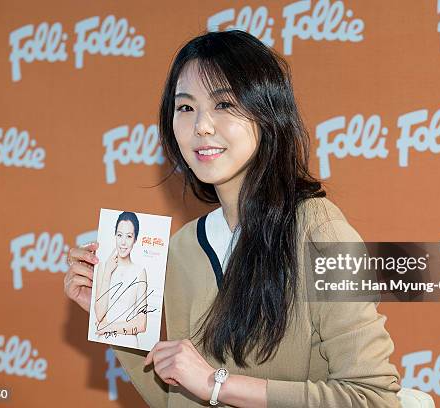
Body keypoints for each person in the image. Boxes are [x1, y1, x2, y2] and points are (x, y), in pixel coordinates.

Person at [64, 30, 401, 407]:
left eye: (224, 104)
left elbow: (373, 397)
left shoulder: (320, 232)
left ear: (268, 113)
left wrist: (216, 383)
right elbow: (178, 399)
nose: (201, 126)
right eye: (186, 108)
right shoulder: (184, 246)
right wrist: (115, 315)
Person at [92, 211, 148, 349]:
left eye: (129, 236)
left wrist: (107, 327)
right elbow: (99, 314)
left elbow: (141, 324)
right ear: (115, 236)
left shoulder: (139, 272)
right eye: (119, 235)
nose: (123, 242)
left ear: (135, 239)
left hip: (129, 345)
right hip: (103, 343)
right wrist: (107, 274)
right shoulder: (103, 267)